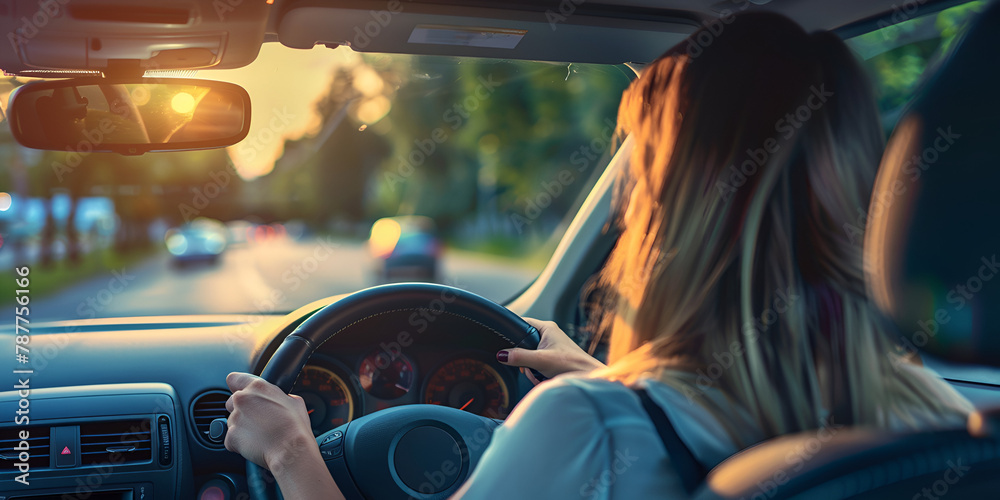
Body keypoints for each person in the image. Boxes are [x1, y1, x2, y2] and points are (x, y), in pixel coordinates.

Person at [223, 12, 973, 499]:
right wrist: (622, 385)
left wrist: (292, 451)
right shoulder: (940, 420)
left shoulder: (581, 426)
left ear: (660, 209)